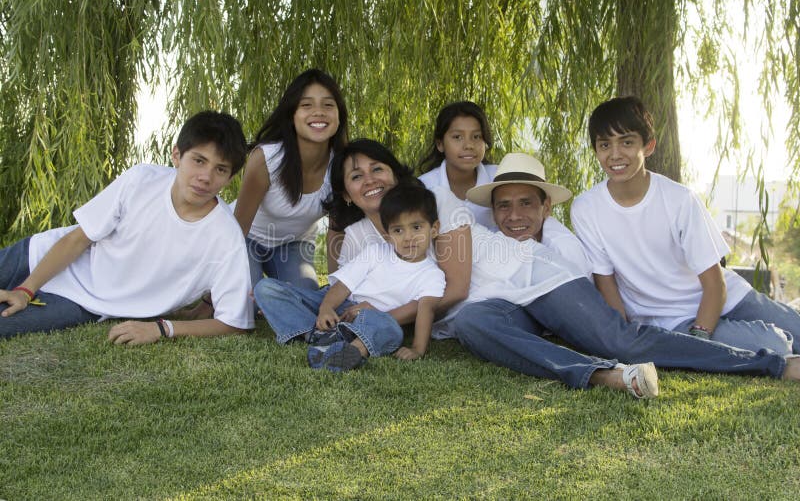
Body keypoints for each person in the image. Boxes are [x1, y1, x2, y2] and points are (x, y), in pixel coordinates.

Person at [322, 140, 661, 397]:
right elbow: (357, 289)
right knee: (474, 323)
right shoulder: (359, 239)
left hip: (524, 276)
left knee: (619, 341)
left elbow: (455, 289)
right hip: (484, 308)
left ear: (394, 175)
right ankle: (607, 376)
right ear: (347, 193)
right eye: (356, 176)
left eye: (377, 169)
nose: (369, 180)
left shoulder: (435, 198)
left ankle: (715, 354)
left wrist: (382, 317)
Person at [448, 151, 800, 383]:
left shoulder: (564, 250)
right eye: (503, 207)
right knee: (472, 322)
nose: (514, 216)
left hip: (564, 302)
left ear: (546, 209)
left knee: (621, 344)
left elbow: (583, 312)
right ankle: (598, 375)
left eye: (526, 204)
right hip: (518, 308)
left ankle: (771, 364)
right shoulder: (494, 249)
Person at [570, 96, 800, 354]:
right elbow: (606, 284)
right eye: (604, 144)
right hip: (671, 320)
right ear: (596, 150)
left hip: (727, 299)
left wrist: (700, 338)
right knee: (775, 346)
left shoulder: (679, 200)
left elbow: (715, 284)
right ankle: (771, 339)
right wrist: (624, 342)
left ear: (648, 146)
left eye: (626, 142)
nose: (615, 154)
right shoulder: (586, 209)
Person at [0, 111, 254, 344]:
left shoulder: (225, 236)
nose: (206, 177)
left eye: (220, 169)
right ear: (176, 155)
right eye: (199, 161)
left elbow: (234, 322)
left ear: (230, 178)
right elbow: (78, 239)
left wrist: (162, 328)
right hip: (39, 256)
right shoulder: (141, 180)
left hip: (85, 302)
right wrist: (25, 290)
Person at [253, 183, 445, 372]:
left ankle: (353, 350)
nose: (408, 237)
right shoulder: (375, 251)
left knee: (391, 329)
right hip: (342, 304)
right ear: (387, 235)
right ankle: (317, 336)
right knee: (266, 288)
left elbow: (425, 311)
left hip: (374, 318)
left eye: (417, 227)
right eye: (398, 230)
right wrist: (326, 309)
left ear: (434, 229)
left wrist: (418, 349)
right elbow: (343, 286)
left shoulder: (432, 275)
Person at [233, 68, 348, 291]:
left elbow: (336, 232)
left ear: (339, 115)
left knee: (304, 300)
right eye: (306, 105)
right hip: (247, 241)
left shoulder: (342, 165)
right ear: (292, 115)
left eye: (328, 105)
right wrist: (215, 294)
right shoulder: (267, 158)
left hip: (294, 245)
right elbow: (237, 229)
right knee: (245, 305)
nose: (319, 112)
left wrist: (335, 289)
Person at [418, 101, 498, 230]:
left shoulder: (499, 178)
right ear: (440, 144)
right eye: (457, 137)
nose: (469, 145)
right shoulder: (424, 187)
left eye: (476, 136)